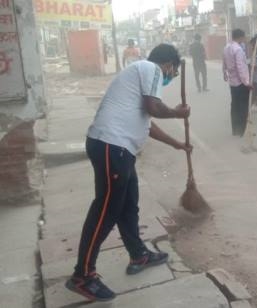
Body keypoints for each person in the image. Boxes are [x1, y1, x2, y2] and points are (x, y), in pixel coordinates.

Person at [65, 44, 191, 302]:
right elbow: (154, 108)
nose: (170, 77)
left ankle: (138, 254)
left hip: (117, 149)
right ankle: (83, 275)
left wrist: (177, 144)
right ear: (168, 65)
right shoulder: (151, 68)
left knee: (128, 204)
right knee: (105, 211)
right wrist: (178, 113)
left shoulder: (138, 75)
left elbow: (149, 124)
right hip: (113, 147)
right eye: (173, 73)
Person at [223, 29, 252, 137]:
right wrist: (247, 82)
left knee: (234, 106)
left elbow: (224, 62)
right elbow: (240, 67)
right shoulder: (238, 49)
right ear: (240, 37)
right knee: (242, 107)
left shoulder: (227, 47)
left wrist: (224, 74)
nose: (244, 40)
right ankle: (241, 131)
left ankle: (235, 130)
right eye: (244, 37)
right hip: (240, 83)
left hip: (232, 83)